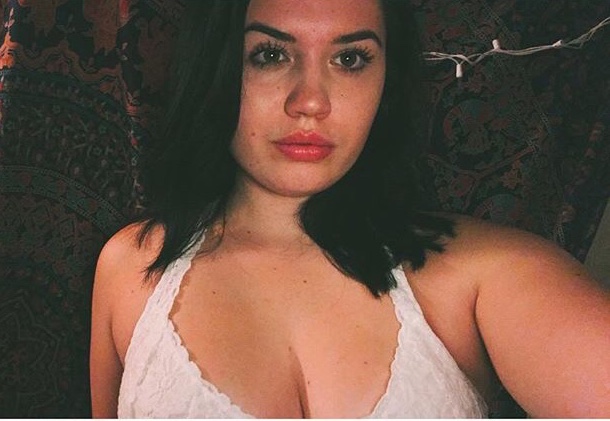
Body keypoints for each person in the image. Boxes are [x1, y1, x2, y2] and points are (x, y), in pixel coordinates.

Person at [89, 0, 610, 418]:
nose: (311, 101)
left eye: (350, 59)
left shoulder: (484, 275)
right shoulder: (132, 268)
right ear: (214, 67)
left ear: (386, 82)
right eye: (270, 54)